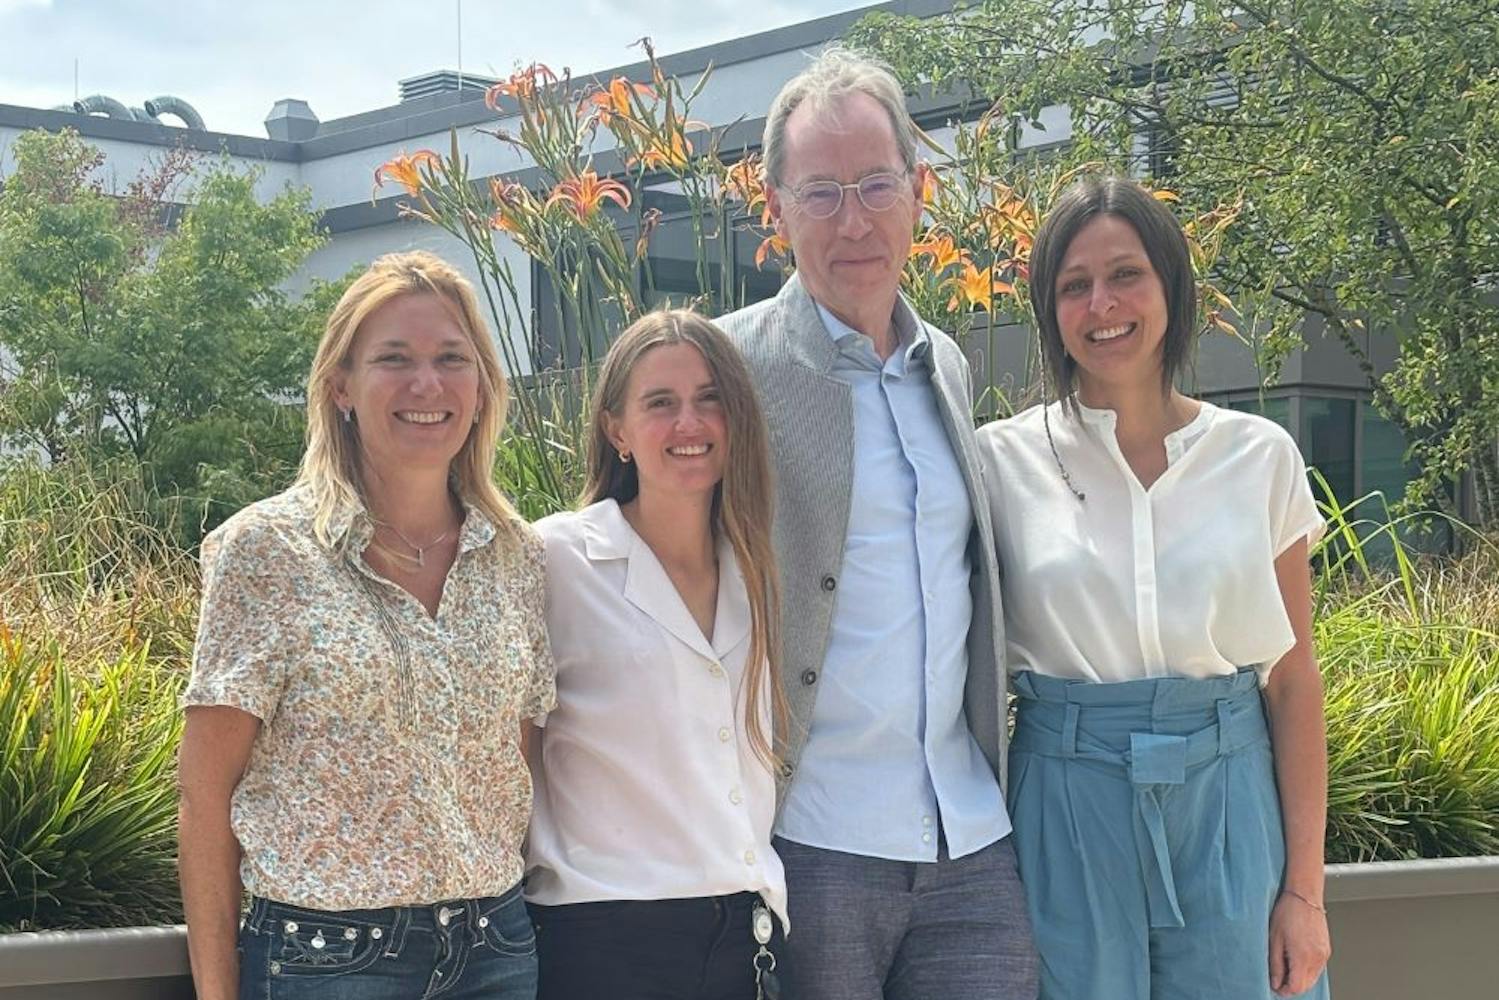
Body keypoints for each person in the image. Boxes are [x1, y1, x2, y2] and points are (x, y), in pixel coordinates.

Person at [715, 46, 1038, 1000]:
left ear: (917, 191)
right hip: (813, 836)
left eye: (873, 184)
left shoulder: (947, 364)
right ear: (774, 210)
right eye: (819, 193)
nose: (852, 220)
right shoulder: (729, 369)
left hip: (969, 835)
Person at [977, 175, 1333, 1000]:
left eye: (1124, 274)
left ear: (1170, 286)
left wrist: (1304, 893)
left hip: (1227, 795)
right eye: (1074, 284)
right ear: (1048, 309)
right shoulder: (997, 462)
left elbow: (1291, 680)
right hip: (1066, 800)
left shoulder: (1258, 455)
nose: (1101, 304)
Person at [177, 251, 554, 1000]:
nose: (427, 384)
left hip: (496, 948)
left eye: (452, 358)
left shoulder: (517, 556)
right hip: (329, 959)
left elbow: (518, 765)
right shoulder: (268, 551)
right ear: (341, 387)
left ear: (481, 388)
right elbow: (204, 800)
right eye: (394, 359)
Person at [524, 309, 788, 1000]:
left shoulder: (755, 570)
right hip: (604, 941)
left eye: (709, 400)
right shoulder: (556, 559)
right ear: (617, 430)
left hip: (746, 936)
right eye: (660, 404)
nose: (688, 424)